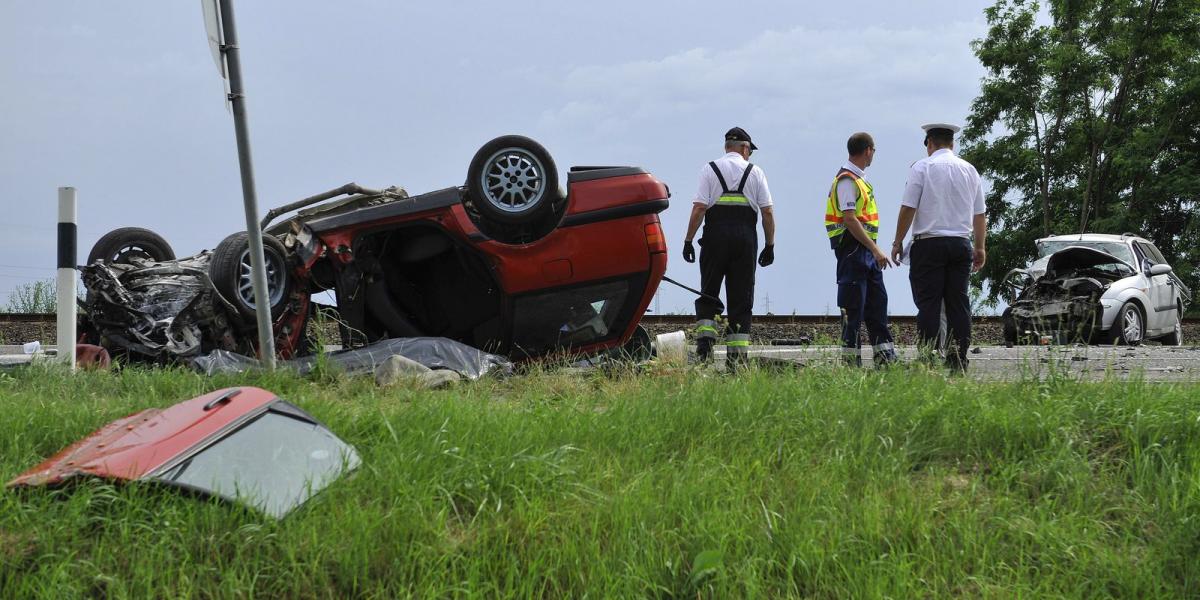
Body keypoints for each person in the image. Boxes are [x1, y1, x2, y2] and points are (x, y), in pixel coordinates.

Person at [890, 123, 986, 372]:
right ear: (952, 144)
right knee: (958, 303)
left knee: (929, 304)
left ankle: (930, 358)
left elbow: (908, 207)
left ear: (929, 144)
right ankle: (958, 360)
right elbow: (979, 214)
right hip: (960, 244)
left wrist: (898, 241)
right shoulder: (970, 170)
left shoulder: (922, 168)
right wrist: (980, 247)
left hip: (929, 244)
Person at [682, 127, 775, 368]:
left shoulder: (709, 169)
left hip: (715, 238)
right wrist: (769, 244)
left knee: (709, 293)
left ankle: (704, 352)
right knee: (741, 298)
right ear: (745, 148)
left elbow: (700, 208)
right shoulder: (756, 172)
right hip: (745, 240)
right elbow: (767, 212)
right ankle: (737, 360)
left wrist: (688, 241)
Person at [823, 132, 897, 367]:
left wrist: (873, 251)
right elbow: (850, 219)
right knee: (853, 311)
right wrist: (876, 249)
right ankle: (851, 366)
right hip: (854, 251)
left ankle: (885, 360)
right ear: (867, 150)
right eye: (874, 150)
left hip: (865, 252)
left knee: (877, 307)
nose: (874, 154)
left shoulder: (859, 180)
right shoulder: (847, 180)